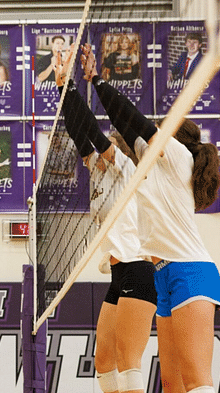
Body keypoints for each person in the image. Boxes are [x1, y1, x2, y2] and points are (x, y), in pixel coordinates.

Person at [82, 43, 220, 393]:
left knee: (195, 380)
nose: (150, 136)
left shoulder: (177, 158)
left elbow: (131, 118)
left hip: (190, 271)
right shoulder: (149, 164)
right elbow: (119, 127)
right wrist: (79, 88)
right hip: (164, 275)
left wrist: (97, 80)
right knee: (171, 382)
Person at [55, 47, 156, 393]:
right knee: (103, 360)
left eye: (104, 150)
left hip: (138, 270)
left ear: (114, 153)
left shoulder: (127, 170)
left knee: (129, 362)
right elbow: (77, 129)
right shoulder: (96, 172)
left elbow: (92, 131)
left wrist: (73, 84)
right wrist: (61, 86)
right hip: (118, 274)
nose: (96, 154)